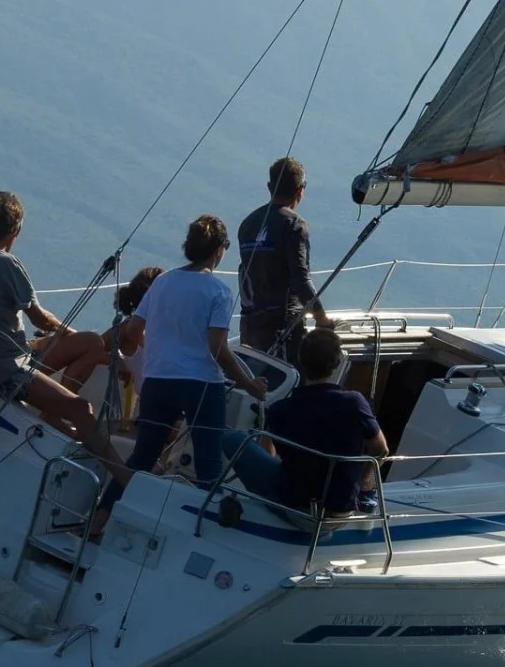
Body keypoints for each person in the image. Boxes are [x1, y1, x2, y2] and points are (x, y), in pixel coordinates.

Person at [0, 191, 127, 482]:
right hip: (10, 371)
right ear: (16, 231)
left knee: (90, 341)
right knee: (83, 409)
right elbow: (38, 317)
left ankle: (56, 409)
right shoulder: (5, 263)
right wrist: (67, 331)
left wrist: (72, 337)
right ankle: (125, 478)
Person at [100, 216, 269, 512]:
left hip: (158, 381)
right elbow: (217, 349)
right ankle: (202, 531)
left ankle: (101, 519)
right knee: (208, 466)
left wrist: (160, 352)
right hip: (201, 385)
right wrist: (249, 384)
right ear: (218, 250)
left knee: (141, 457)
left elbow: (132, 330)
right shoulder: (219, 291)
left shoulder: (163, 282)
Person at [226, 327, 388, 516]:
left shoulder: (280, 410)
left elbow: (268, 455)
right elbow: (381, 449)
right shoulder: (355, 403)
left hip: (292, 505)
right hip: (339, 510)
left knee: (232, 439)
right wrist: (362, 483)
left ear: (301, 361)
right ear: (336, 363)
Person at [237, 156, 331, 363]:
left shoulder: (247, 224)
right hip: (283, 325)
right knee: (286, 384)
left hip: (250, 325)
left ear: (269, 186)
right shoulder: (294, 225)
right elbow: (300, 278)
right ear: (300, 190)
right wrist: (321, 318)